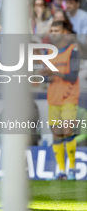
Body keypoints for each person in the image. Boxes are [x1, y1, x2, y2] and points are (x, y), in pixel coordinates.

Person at [41, 21, 79, 180]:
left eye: (56, 30)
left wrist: (53, 72)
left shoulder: (73, 51)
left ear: (64, 32)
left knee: (67, 130)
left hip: (69, 97)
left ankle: (72, 169)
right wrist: (43, 75)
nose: (53, 33)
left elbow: (73, 76)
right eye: (52, 30)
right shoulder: (49, 52)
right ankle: (61, 171)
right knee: (56, 134)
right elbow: (45, 78)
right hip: (53, 98)